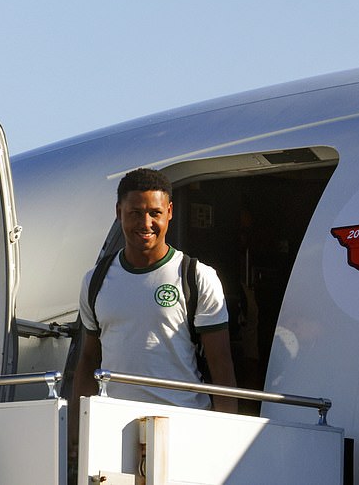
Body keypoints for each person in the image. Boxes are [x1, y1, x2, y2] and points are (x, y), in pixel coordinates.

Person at [72, 168, 238, 413]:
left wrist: (228, 438)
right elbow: (88, 360)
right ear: (119, 213)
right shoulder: (94, 280)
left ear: (169, 212)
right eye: (135, 213)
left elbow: (221, 365)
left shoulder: (197, 276)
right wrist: (76, 431)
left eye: (155, 213)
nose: (146, 223)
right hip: (111, 423)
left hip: (182, 422)